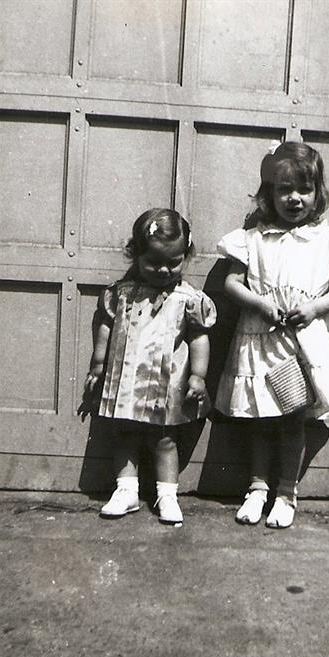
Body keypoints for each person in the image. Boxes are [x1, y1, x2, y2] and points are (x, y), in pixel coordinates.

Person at [215, 141, 329, 528]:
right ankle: (257, 488)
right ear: (269, 193)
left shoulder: (327, 241)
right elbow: (232, 284)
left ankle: (286, 492)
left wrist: (314, 308)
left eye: (304, 189)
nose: (294, 198)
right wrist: (261, 304)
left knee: (293, 420)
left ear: (318, 193)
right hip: (260, 340)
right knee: (261, 418)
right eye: (284, 190)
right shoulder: (252, 238)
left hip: (302, 345)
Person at [79, 208, 216, 525]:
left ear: (185, 256)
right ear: (136, 254)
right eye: (154, 262)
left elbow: (199, 338)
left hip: (166, 384)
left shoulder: (188, 299)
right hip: (126, 379)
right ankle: (126, 490)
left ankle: (167, 494)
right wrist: (98, 365)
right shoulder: (122, 294)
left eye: (174, 262)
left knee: (164, 440)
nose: (164, 269)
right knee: (124, 435)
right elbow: (105, 328)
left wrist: (198, 376)